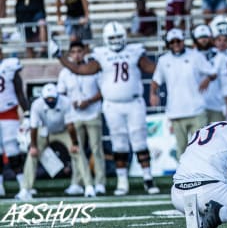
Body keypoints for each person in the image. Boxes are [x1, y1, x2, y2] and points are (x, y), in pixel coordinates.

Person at [56, 21, 160, 196]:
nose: (116, 40)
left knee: (139, 140)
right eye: (112, 38)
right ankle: (122, 181)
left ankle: (148, 179)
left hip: (134, 102)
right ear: (106, 39)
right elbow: (80, 70)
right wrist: (60, 56)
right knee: (118, 143)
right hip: (112, 104)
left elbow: (152, 67)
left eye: (118, 37)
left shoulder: (135, 52)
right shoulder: (101, 55)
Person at [17, 83, 95, 201]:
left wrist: (74, 143)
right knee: (32, 154)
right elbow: (34, 127)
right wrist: (33, 146)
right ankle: (25, 189)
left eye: (52, 98)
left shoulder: (65, 102)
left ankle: (88, 186)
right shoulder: (37, 105)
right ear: (43, 98)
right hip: (45, 131)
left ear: (57, 97)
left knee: (78, 152)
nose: (50, 101)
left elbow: (70, 126)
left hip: (64, 130)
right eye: (48, 99)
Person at [150, 28, 217, 159]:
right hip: (176, 111)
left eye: (178, 41)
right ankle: (184, 178)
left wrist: (207, 79)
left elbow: (213, 72)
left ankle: (204, 176)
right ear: (168, 44)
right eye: (172, 42)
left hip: (196, 109)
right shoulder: (164, 60)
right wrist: (153, 93)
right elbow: (156, 80)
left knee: (201, 147)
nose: (176, 44)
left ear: (183, 41)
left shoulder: (195, 56)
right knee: (181, 150)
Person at [57, 41, 106, 196]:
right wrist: (70, 104)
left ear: (84, 51)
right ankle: (77, 182)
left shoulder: (93, 67)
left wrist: (89, 101)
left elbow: (103, 90)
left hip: (93, 113)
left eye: (79, 51)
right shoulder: (65, 72)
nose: (77, 54)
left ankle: (99, 182)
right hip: (74, 115)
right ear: (70, 54)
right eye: (74, 51)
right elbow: (61, 94)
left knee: (96, 148)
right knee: (76, 150)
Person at [0, 47, 28, 197]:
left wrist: (27, 113)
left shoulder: (10, 66)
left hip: (9, 115)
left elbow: (19, 92)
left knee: (13, 152)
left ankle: (24, 186)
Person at [191, 23, 227, 124]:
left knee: (218, 138)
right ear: (195, 39)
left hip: (215, 105)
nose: (203, 40)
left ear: (210, 37)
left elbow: (225, 83)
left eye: (205, 37)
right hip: (195, 107)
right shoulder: (189, 56)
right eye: (200, 37)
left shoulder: (220, 55)